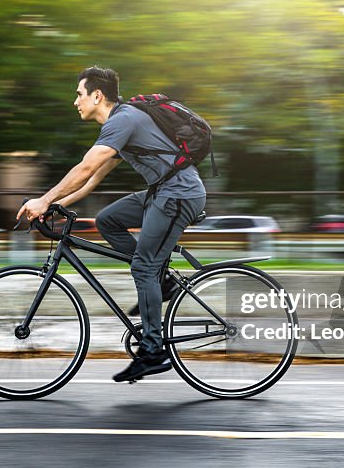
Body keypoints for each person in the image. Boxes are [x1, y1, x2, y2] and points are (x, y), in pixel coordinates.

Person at [17, 66, 206, 383]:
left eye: (79, 94)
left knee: (143, 267)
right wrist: (58, 205)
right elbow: (91, 179)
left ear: (97, 95)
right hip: (163, 192)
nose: (75, 101)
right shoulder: (121, 123)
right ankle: (161, 281)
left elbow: (85, 165)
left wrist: (44, 200)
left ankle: (153, 350)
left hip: (179, 195)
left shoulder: (123, 120)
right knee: (108, 220)